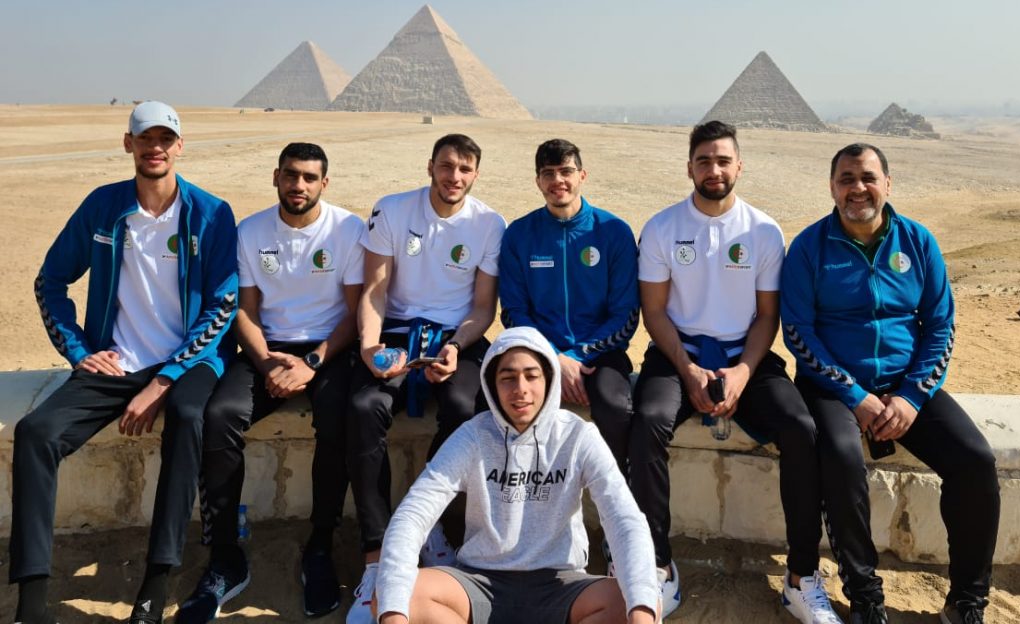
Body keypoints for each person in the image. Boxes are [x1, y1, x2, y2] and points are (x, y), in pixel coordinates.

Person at [11, 101, 238, 624]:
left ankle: (155, 587)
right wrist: (80, 352)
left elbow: (222, 305)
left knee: (187, 416)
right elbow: (50, 281)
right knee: (35, 434)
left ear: (180, 146)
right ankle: (31, 602)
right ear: (128, 144)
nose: (155, 148)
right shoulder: (104, 206)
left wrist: (164, 381)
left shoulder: (210, 213)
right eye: (145, 138)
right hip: (116, 360)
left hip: (190, 360)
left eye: (165, 139)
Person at [630, 120, 842, 623]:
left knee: (800, 427)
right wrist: (688, 370)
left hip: (747, 352)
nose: (714, 169)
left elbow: (767, 316)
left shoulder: (763, 230)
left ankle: (801, 576)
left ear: (739, 166)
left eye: (723, 160)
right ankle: (657, 564)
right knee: (647, 422)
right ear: (689, 167)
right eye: (704, 160)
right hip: (677, 352)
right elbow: (654, 312)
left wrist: (743, 373)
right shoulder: (661, 228)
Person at [780, 143, 1000, 624]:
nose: (857, 188)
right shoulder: (809, 247)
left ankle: (966, 600)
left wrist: (912, 396)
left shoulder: (917, 241)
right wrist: (855, 395)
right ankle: (864, 594)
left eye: (868, 177)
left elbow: (940, 326)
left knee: (975, 461)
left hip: (906, 384)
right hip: (832, 386)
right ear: (832, 187)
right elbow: (798, 332)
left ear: (887, 183)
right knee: (841, 456)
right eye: (846, 179)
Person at [177, 143, 365, 621]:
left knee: (338, 416)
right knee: (219, 417)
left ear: (324, 183)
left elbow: (353, 312)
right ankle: (225, 555)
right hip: (268, 349)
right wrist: (266, 364)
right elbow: (245, 310)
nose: (298, 185)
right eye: (290, 175)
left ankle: (320, 543)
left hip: (327, 350)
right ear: (276, 177)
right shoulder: (250, 230)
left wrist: (313, 363)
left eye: (309, 177)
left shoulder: (347, 229)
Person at [369, 326, 660, 624]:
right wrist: (394, 615)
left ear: (549, 379)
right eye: (507, 378)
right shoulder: (473, 436)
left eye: (532, 376)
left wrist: (642, 612)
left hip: (561, 585)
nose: (520, 389)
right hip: (479, 583)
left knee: (637, 602)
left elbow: (624, 519)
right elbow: (413, 514)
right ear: (491, 384)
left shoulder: (578, 436)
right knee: (394, 598)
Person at [348, 133, 506, 623]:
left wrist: (456, 347)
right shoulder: (393, 210)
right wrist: (370, 348)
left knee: (465, 408)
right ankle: (376, 555)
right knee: (363, 408)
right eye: (446, 166)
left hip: (457, 336)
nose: (454, 177)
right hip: (394, 332)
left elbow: (483, 307)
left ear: (476, 174)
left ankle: (429, 524)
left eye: (464, 168)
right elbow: (374, 290)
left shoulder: (489, 223)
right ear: (430, 166)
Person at [498, 138, 638, 474]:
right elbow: (513, 312)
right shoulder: (519, 234)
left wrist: (576, 357)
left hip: (600, 353)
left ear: (582, 175)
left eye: (566, 171)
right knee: (495, 406)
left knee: (615, 406)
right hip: (537, 350)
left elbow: (626, 315)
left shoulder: (614, 232)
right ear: (538, 181)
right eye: (548, 173)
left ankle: (617, 493)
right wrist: (552, 356)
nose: (557, 180)